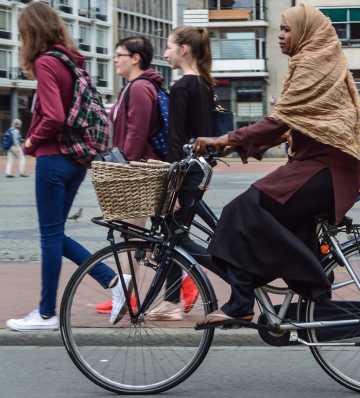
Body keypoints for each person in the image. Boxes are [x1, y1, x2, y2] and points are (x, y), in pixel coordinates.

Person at [192, 4, 360, 326]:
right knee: (281, 226)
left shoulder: (312, 64)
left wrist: (226, 140)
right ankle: (317, 300)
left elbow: (280, 121)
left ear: (306, 33)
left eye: (287, 30)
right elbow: (295, 124)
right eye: (280, 29)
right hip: (324, 167)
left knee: (242, 210)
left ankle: (241, 304)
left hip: (326, 170)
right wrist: (239, 144)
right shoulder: (314, 62)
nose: (280, 37)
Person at [6, 2, 128, 331]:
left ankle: (46, 313)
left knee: (49, 237)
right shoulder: (70, 62)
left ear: (32, 33)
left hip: (53, 158)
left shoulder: (46, 62)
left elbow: (54, 116)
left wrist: (30, 142)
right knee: (55, 235)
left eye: (22, 34)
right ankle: (115, 281)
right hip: (76, 160)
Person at [143, 26, 216, 321]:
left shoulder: (184, 87)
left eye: (169, 47)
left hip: (184, 173)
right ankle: (171, 299)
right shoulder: (205, 84)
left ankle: (232, 273)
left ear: (184, 49)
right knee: (172, 234)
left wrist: (170, 188)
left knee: (176, 238)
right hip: (199, 170)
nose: (165, 53)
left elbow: (176, 141)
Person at [94, 36, 165, 316]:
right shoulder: (137, 87)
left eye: (119, 54)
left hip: (138, 171)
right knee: (136, 238)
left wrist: (124, 166)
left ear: (135, 58)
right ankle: (132, 294)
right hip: (139, 167)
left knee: (131, 237)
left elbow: (137, 131)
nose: (115, 59)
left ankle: (127, 297)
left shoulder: (139, 88)